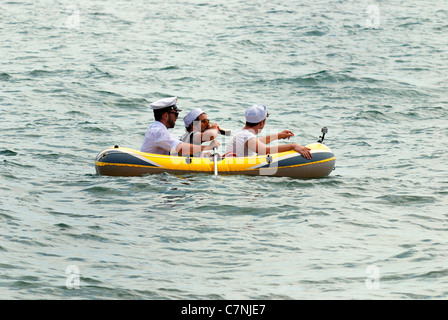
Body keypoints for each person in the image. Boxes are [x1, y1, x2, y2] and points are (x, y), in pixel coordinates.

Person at [225, 104, 312, 159]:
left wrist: (278, 136)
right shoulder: (246, 136)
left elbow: (257, 142)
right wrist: (293, 145)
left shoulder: (241, 133)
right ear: (262, 122)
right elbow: (267, 151)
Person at [140, 97, 219, 155]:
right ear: (166, 115)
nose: (177, 117)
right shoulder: (158, 132)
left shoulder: (159, 131)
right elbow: (180, 148)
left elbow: (181, 143)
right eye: (175, 114)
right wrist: (208, 147)